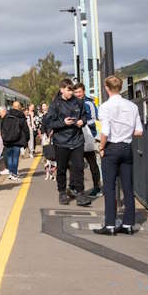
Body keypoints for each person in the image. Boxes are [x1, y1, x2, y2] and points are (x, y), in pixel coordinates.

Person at [93, 75, 143, 235]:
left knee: (109, 187)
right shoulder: (132, 107)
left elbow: (105, 131)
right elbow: (139, 131)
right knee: (128, 188)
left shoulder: (105, 107)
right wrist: (125, 132)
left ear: (106, 88)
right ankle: (128, 224)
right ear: (120, 88)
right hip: (127, 148)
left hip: (111, 148)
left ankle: (109, 225)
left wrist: (101, 147)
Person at [44, 78, 91, 206]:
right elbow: (48, 122)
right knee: (62, 169)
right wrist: (63, 123)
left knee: (79, 168)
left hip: (77, 140)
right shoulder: (55, 104)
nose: (71, 93)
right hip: (61, 141)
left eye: (72, 90)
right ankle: (62, 192)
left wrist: (83, 121)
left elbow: (85, 116)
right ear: (62, 90)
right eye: (68, 90)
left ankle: (81, 194)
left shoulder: (79, 102)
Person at [74, 83, 102, 197]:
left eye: (79, 92)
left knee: (92, 164)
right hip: (77, 138)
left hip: (89, 137)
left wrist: (82, 123)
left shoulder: (89, 103)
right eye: (75, 92)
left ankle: (97, 188)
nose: (77, 94)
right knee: (76, 165)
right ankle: (77, 188)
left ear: (83, 91)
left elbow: (95, 120)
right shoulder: (72, 103)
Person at [0, 100, 28, 181]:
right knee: (15, 157)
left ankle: (11, 173)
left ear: (12, 107)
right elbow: (25, 129)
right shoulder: (21, 116)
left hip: (8, 140)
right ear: (19, 107)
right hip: (18, 140)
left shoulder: (7, 115)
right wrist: (27, 139)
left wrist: (4, 137)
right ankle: (14, 173)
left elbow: (2, 127)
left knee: (9, 157)